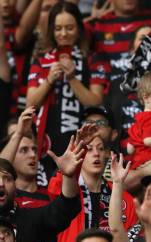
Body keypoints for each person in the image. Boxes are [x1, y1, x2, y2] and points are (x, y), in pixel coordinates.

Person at [26, 1, 109, 157]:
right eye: (58, 28)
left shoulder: (93, 59)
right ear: (51, 30)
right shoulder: (41, 60)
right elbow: (30, 103)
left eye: (69, 28)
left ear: (79, 29)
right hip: (46, 141)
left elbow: (95, 101)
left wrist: (72, 78)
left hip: (83, 142)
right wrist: (49, 80)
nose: (63, 34)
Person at [0, 136, 83, 242]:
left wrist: (68, 176)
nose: (1, 184)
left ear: (15, 186)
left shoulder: (31, 220)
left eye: (7, 179)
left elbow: (65, 209)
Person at [0, 107, 53, 208]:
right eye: (23, 150)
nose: (32, 155)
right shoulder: (4, 196)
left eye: (34, 150)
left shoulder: (51, 188)